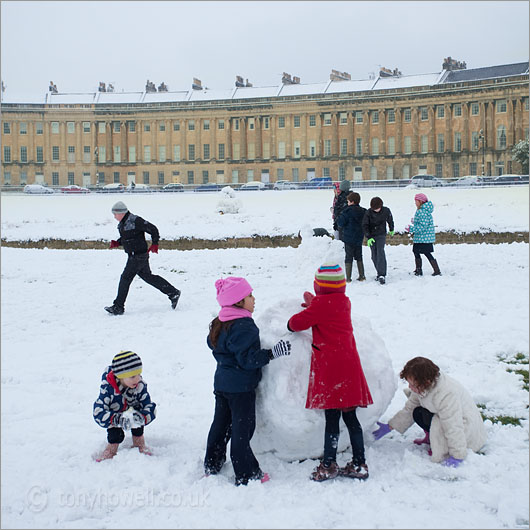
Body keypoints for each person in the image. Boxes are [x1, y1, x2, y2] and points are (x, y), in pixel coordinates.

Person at [287, 263, 373, 482]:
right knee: (351, 418)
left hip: (331, 370)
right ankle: (359, 463)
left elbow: (296, 324)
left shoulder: (320, 306)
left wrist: (303, 311)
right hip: (350, 366)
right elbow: (326, 306)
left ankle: (328, 465)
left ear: (319, 287)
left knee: (332, 419)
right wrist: (314, 302)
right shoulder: (344, 302)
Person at [204, 277, 291, 486]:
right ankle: (247, 473)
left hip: (222, 384)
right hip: (241, 388)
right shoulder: (245, 326)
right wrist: (272, 353)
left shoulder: (220, 321)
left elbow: (212, 344)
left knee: (221, 425)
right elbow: (248, 360)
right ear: (238, 301)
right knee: (242, 431)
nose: (254, 298)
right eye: (249, 295)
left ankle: (212, 464)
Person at [372, 356, 487, 467]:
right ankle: (431, 438)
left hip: (466, 429)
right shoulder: (423, 387)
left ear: (425, 382)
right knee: (418, 412)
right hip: (448, 420)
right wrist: (390, 426)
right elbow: (409, 408)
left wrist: (457, 455)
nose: (410, 387)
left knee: (437, 420)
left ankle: (443, 444)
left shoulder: (446, 394)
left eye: (412, 384)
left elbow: (453, 426)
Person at [104, 201, 181, 315]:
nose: (114, 217)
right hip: (136, 255)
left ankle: (118, 306)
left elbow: (153, 229)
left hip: (138, 255)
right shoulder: (123, 223)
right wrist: (118, 242)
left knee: (125, 278)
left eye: (115, 214)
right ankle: (173, 292)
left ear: (121, 213)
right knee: (148, 277)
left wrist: (155, 243)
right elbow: (129, 237)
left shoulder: (136, 220)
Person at [93, 350, 156, 461]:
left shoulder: (139, 385)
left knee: (137, 425)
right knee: (115, 434)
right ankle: (111, 449)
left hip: (133, 413)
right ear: (120, 377)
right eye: (132, 376)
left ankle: (139, 443)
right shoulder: (108, 390)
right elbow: (98, 412)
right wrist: (116, 419)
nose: (137, 379)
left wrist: (142, 417)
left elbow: (149, 406)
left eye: (138, 374)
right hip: (115, 416)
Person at [405, 193, 441, 276]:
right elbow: (423, 222)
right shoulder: (423, 210)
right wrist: (415, 221)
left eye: (416, 201)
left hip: (424, 237)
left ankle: (436, 271)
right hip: (422, 237)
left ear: (420, 201)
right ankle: (418, 270)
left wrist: (411, 229)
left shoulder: (422, 211)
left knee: (426, 253)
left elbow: (423, 226)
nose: (415, 203)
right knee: (416, 252)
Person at [362, 196, 394, 285]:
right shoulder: (368, 213)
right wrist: (368, 237)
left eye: (378, 208)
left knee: (380, 252)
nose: (376, 210)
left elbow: (390, 220)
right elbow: (365, 225)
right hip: (372, 235)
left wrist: (391, 229)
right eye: (374, 209)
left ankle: (381, 274)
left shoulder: (386, 211)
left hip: (381, 234)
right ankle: (379, 271)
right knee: (374, 255)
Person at [337, 192, 367, 282]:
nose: (347, 203)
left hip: (348, 238)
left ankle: (349, 278)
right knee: (359, 256)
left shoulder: (346, 211)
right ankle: (362, 275)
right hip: (359, 237)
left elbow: (340, 223)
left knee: (348, 257)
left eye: (348, 201)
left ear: (352, 202)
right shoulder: (364, 211)